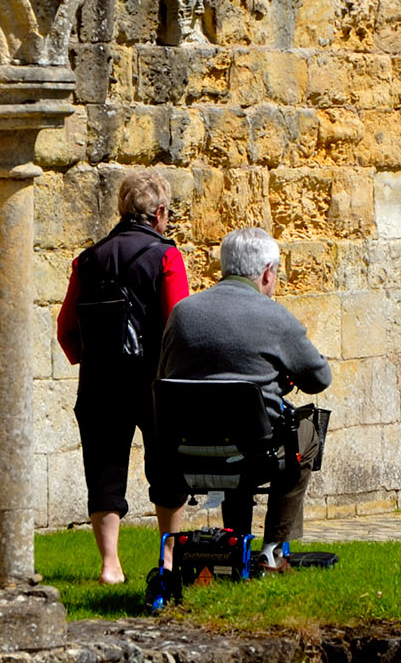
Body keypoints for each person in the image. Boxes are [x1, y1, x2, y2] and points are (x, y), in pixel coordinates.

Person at [155, 226, 332, 569]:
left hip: (185, 449)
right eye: (277, 273)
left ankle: (235, 535)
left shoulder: (182, 313)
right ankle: (273, 547)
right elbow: (320, 378)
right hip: (255, 452)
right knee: (306, 431)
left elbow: (163, 376)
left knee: (239, 433)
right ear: (267, 272)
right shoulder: (275, 317)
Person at [56, 169, 190, 584]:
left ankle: (110, 565)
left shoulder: (88, 258)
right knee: (167, 468)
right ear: (160, 212)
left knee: (104, 469)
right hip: (154, 381)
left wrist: (90, 359)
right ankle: (168, 560)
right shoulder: (167, 257)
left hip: (100, 381)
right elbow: (178, 322)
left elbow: (65, 328)